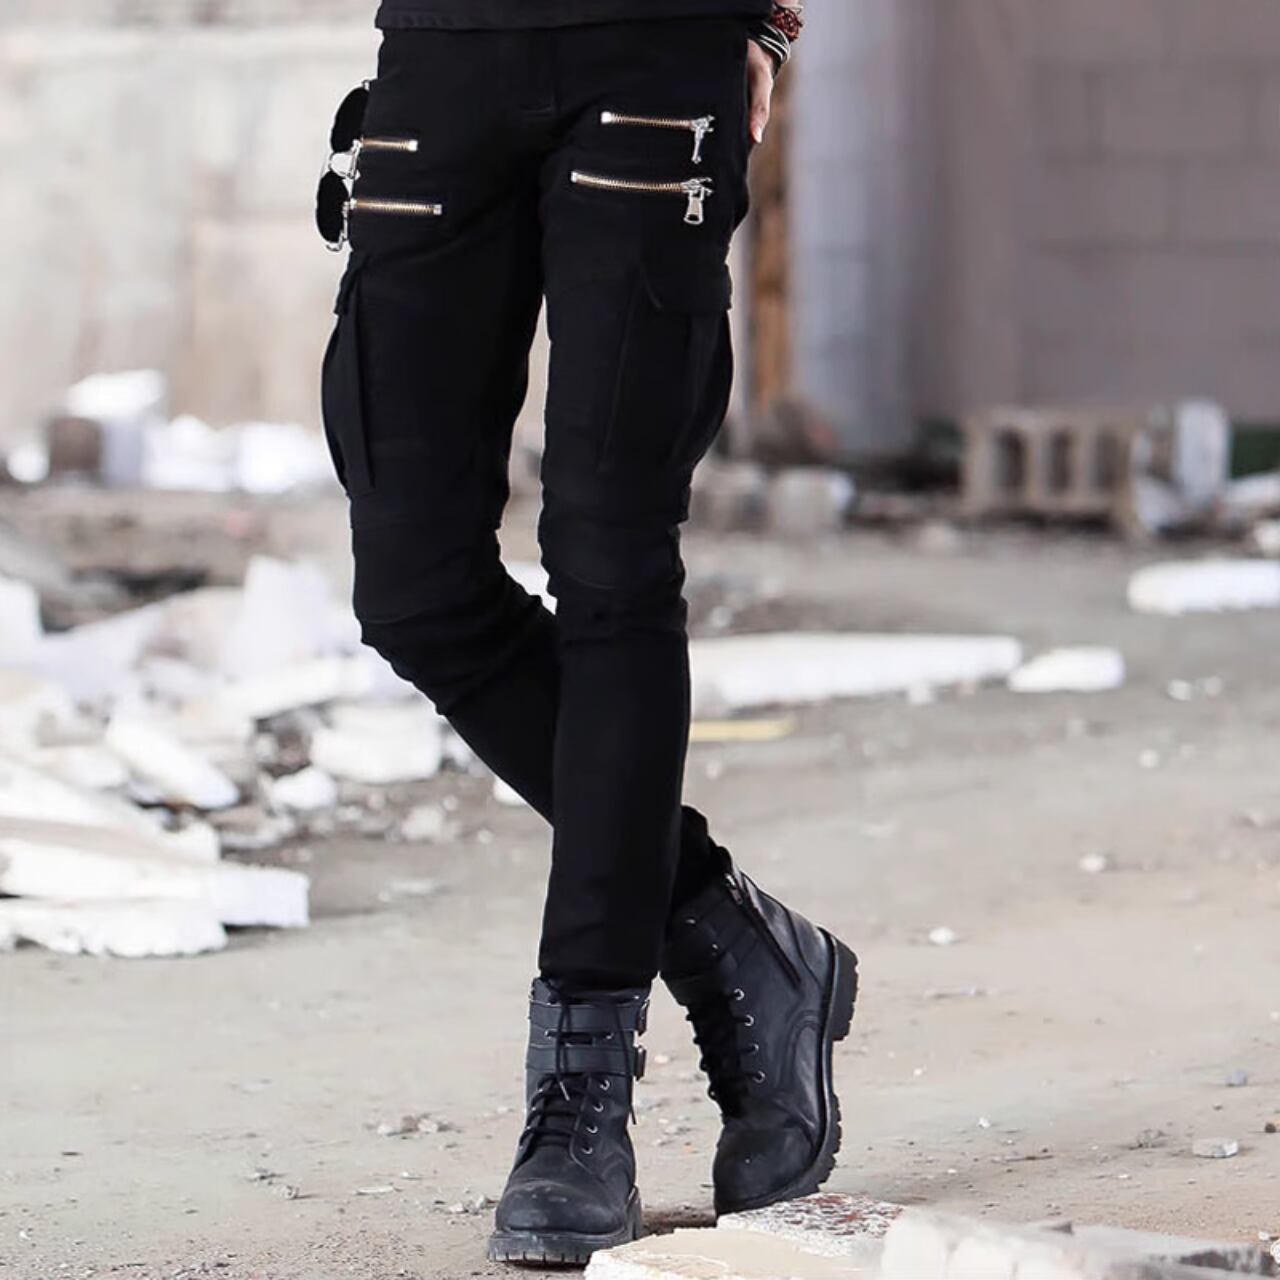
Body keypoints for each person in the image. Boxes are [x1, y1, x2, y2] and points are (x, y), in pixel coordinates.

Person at [316, 0, 856, 1264]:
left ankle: (581, 1092)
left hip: (650, 46)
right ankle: (725, 928)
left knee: (610, 561)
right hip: (441, 56)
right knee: (413, 586)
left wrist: (770, 26)